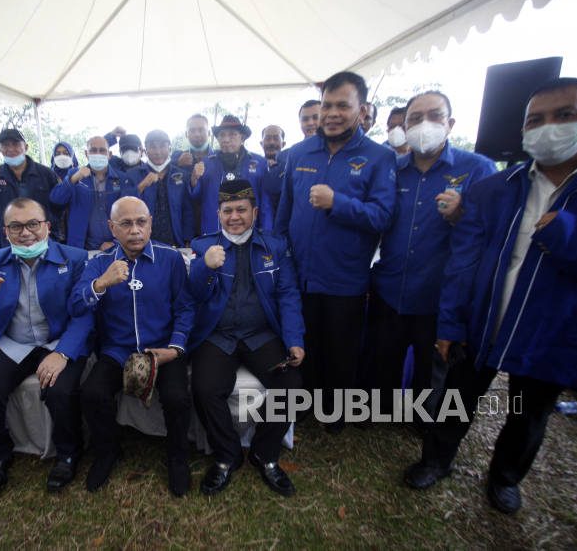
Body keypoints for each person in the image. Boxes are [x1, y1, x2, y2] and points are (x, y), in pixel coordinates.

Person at [403, 77, 577, 515]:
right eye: (536, 119)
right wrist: (451, 322)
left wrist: (570, 234)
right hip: (484, 319)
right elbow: (463, 261)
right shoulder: (495, 187)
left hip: (553, 327)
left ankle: (505, 478)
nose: (548, 127)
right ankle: (436, 459)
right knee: (459, 396)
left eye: (564, 115)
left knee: (528, 412)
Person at [274, 71, 397, 433]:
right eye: (327, 104)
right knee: (302, 343)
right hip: (300, 273)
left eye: (343, 105)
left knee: (341, 350)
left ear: (361, 110)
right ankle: (303, 404)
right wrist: (281, 258)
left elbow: (383, 217)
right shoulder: (298, 153)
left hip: (346, 277)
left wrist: (337, 203)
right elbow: (285, 213)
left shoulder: (379, 158)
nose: (332, 113)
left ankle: (335, 412)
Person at [368, 92, 497, 430]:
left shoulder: (478, 168)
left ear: (450, 123)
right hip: (390, 285)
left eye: (435, 115)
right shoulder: (391, 170)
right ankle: (381, 413)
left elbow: (493, 232)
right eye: (415, 117)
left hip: (438, 293)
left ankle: (422, 422)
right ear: (404, 125)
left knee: (431, 368)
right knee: (385, 361)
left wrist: (461, 216)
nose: (424, 124)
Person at [0, 198, 94, 496]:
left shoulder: (73, 258)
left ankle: (68, 454)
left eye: (33, 224)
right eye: (16, 226)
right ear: (5, 230)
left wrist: (61, 353)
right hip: (15, 342)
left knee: (61, 391)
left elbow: (85, 313)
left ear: (47, 226)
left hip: (57, 340)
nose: (26, 233)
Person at [69, 197, 194, 496]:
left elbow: (186, 308)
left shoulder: (171, 258)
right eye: (125, 223)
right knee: (92, 393)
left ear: (150, 223)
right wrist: (100, 284)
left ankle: (177, 456)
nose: (135, 230)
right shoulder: (99, 263)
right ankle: (108, 452)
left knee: (177, 397)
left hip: (161, 350)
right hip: (119, 350)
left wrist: (175, 348)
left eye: (141, 222)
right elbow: (76, 306)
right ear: (112, 227)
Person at [189, 180, 304, 496]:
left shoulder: (275, 247)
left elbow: (289, 296)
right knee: (204, 387)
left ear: (255, 212)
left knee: (291, 388)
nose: (235, 217)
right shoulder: (202, 246)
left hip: (260, 335)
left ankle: (263, 454)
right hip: (219, 335)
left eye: (242, 209)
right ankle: (227, 457)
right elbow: (193, 295)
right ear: (218, 213)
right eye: (228, 210)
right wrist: (205, 267)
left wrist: (295, 339)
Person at [0, 128, 64, 247]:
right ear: (0, 149)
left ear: (25, 147)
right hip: (11, 242)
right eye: (5, 145)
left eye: (16, 144)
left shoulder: (46, 174)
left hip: (44, 240)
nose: (11, 149)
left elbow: (60, 207)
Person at [50, 136, 138, 250]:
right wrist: (72, 180)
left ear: (109, 154)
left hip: (117, 248)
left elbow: (130, 212)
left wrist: (117, 242)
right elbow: (55, 199)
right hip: (82, 250)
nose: (98, 154)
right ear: (87, 154)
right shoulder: (75, 175)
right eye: (93, 150)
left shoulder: (121, 178)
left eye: (102, 150)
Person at [190, 115, 272, 234]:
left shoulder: (260, 163)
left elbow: (266, 206)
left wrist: (266, 234)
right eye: (222, 134)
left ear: (242, 137)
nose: (226, 139)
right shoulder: (206, 162)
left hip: (249, 233)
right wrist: (194, 179)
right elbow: (197, 198)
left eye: (232, 134)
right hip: (214, 231)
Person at [128, 129, 194, 248]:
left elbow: (187, 210)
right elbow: (125, 204)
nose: (158, 151)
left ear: (169, 149)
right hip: (144, 242)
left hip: (175, 241)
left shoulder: (182, 175)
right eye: (152, 147)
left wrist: (188, 238)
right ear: (145, 151)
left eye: (162, 146)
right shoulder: (133, 175)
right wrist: (142, 185)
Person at [264, 102, 322, 220]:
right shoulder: (287, 154)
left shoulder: (336, 153)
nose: (310, 123)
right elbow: (271, 185)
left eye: (316, 117)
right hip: (295, 222)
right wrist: (293, 158)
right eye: (305, 119)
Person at [171, 114, 214, 237]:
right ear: (186, 134)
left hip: (213, 227)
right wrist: (177, 163)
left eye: (201, 130)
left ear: (209, 132)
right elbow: (159, 169)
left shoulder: (218, 159)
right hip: (183, 229)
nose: (197, 134)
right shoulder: (178, 158)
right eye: (192, 130)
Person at [260, 125, 287, 214]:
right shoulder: (254, 167)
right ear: (261, 143)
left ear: (283, 144)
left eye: (276, 138)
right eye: (267, 138)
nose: (272, 142)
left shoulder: (290, 166)